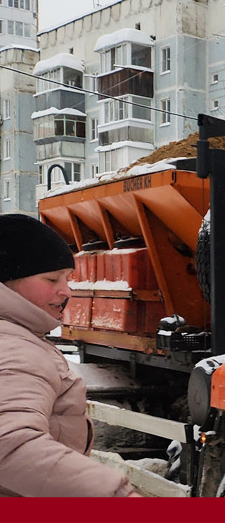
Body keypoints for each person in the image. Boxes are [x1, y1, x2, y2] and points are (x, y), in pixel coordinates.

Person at [0, 213, 138, 497]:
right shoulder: (15, 348)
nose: (66, 290)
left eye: (67, 278)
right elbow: (10, 444)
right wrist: (116, 495)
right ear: (7, 281)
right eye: (51, 279)